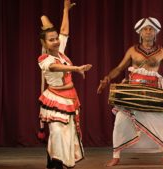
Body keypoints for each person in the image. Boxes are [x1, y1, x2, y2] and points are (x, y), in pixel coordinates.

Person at [97, 17, 163, 167]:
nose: (148, 31)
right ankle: (116, 156)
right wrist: (106, 78)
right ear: (140, 32)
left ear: (156, 32)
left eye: (151, 29)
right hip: (133, 91)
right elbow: (119, 68)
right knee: (120, 121)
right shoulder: (132, 50)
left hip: (153, 92)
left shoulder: (162, 52)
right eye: (145, 29)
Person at [37, 0, 92, 168]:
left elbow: (64, 32)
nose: (56, 41)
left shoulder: (60, 54)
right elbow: (54, 68)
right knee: (57, 133)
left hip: (68, 98)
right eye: (51, 40)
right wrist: (76, 68)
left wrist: (65, 10)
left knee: (67, 133)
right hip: (55, 99)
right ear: (44, 43)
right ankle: (56, 162)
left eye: (55, 39)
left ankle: (56, 161)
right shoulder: (45, 59)